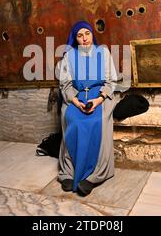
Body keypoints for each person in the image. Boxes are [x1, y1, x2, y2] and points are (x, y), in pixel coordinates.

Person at [57, 21, 118, 196]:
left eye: (87, 33)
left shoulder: (103, 52)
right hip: (76, 98)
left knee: (96, 121)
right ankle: (68, 172)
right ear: (75, 39)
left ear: (92, 34)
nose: (85, 38)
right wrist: (76, 102)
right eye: (80, 35)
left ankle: (95, 175)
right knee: (73, 121)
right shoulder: (69, 56)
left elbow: (111, 81)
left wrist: (98, 101)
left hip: (100, 96)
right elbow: (65, 84)